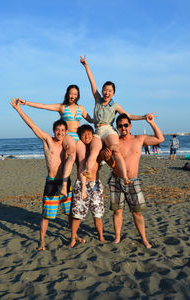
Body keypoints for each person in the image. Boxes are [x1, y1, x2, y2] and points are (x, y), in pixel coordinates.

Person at [10, 98, 82, 251]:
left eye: (63, 130)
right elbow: (32, 125)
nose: (60, 133)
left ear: (66, 132)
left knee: (70, 213)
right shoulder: (47, 140)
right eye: (58, 130)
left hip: (65, 181)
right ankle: (41, 242)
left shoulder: (66, 144)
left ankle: (74, 236)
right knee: (46, 215)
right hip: (51, 183)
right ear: (53, 130)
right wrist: (19, 110)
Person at [80, 54, 156, 184]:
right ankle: (88, 170)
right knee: (94, 150)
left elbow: (128, 116)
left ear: (113, 93)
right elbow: (92, 82)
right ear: (102, 91)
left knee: (115, 149)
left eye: (110, 91)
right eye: (105, 90)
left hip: (109, 130)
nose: (106, 92)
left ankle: (125, 177)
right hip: (97, 131)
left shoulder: (115, 105)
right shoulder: (97, 99)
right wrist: (86, 65)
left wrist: (144, 117)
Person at [16, 84, 93, 198]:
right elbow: (43, 106)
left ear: (78, 96)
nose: (73, 96)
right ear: (67, 94)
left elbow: (92, 120)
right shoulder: (61, 107)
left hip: (78, 136)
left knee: (82, 160)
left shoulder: (80, 108)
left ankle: (83, 190)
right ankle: (64, 185)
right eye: (71, 93)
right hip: (68, 136)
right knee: (72, 155)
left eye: (75, 94)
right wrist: (26, 103)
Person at [105, 113, 164, 248]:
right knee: (117, 211)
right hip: (116, 179)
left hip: (133, 181)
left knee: (137, 212)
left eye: (125, 125)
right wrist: (108, 158)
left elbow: (160, 139)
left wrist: (151, 123)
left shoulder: (139, 139)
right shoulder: (115, 142)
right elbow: (113, 165)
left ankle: (144, 239)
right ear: (117, 128)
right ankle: (117, 237)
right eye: (120, 126)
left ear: (130, 126)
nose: (123, 128)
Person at [69, 124, 108, 248]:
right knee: (77, 215)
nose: (86, 136)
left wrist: (107, 153)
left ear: (93, 135)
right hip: (81, 184)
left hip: (95, 184)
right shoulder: (78, 150)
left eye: (89, 134)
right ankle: (73, 238)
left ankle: (101, 236)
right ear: (80, 136)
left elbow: (103, 157)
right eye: (84, 134)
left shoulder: (96, 149)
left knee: (98, 213)